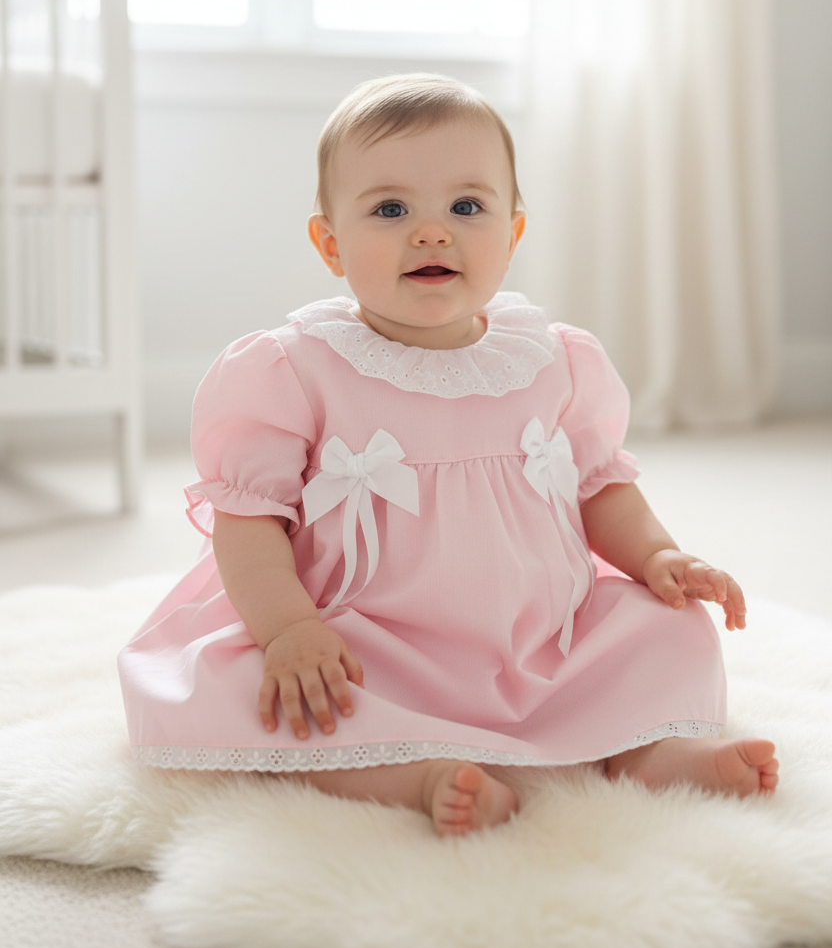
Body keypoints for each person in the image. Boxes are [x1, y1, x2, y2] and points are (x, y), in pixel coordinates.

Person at [118, 73, 778, 837]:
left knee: (674, 626)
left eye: (467, 207)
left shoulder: (555, 360)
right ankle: (415, 773)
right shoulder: (292, 370)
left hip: (542, 641)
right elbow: (248, 521)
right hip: (363, 641)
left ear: (513, 234)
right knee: (236, 684)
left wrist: (660, 556)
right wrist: (290, 631)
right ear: (330, 244)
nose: (432, 232)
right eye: (391, 209)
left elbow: (599, 488)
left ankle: (649, 756)